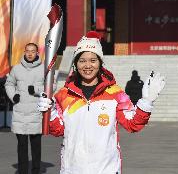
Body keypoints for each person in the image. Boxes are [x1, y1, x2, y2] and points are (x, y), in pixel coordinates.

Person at [37, 31, 165, 174]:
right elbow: (58, 130)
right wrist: (51, 112)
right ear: (75, 64)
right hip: (72, 169)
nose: (87, 66)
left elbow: (133, 124)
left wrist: (146, 102)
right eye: (82, 60)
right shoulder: (64, 95)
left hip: (106, 170)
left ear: (100, 63)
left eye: (93, 60)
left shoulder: (115, 94)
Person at [5, 43, 44, 174]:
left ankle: (36, 171)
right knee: (21, 147)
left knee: (36, 147)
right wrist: (13, 95)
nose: (30, 53)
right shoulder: (16, 69)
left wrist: (37, 90)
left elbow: (52, 85)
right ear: (24, 52)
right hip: (20, 113)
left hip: (36, 113)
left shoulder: (44, 69)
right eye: (27, 51)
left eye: (33, 51)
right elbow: (9, 84)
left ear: (37, 52)